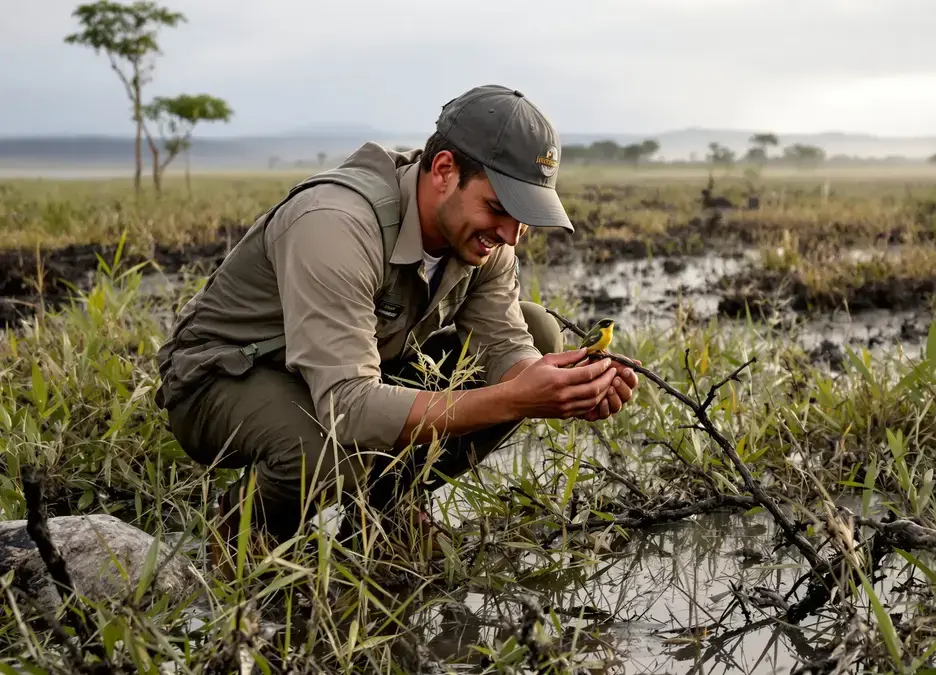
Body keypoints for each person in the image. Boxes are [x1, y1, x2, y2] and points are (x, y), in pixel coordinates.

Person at [152, 85, 639, 560]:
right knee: (327, 452)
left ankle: (386, 509)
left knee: (539, 333)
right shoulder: (336, 223)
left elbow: (508, 348)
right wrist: (511, 399)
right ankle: (242, 534)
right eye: (499, 208)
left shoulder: (486, 241)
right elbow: (349, 410)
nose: (511, 234)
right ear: (445, 170)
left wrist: (562, 384)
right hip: (225, 379)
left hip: (349, 376)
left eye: (525, 215)